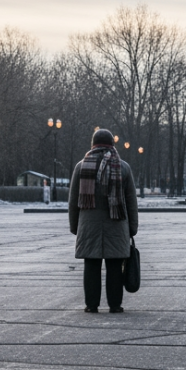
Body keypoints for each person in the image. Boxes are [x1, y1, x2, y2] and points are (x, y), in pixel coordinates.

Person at [68, 129, 138, 313]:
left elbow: (73, 201)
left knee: (91, 266)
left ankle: (91, 305)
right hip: (117, 224)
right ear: (112, 145)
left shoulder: (81, 167)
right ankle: (115, 305)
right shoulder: (123, 167)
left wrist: (75, 226)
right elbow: (131, 201)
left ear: (93, 145)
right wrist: (132, 228)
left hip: (88, 226)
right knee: (115, 266)